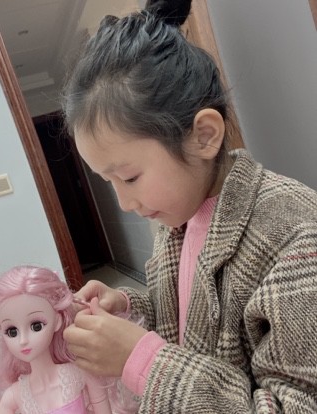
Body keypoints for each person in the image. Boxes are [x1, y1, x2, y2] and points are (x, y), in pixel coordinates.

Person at [61, 0, 317, 412]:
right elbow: (185, 319)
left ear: (204, 136)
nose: (124, 202)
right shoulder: (176, 223)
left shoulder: (295, 236)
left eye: (130, 177)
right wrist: (128, 308)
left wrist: (143, 361)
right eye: (109, 183)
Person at [0, 265, 113, 414]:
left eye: (36, 326)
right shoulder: (12, 398)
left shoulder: (79, 374)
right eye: (12, 331)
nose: (23, 340)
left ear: (57, 321)